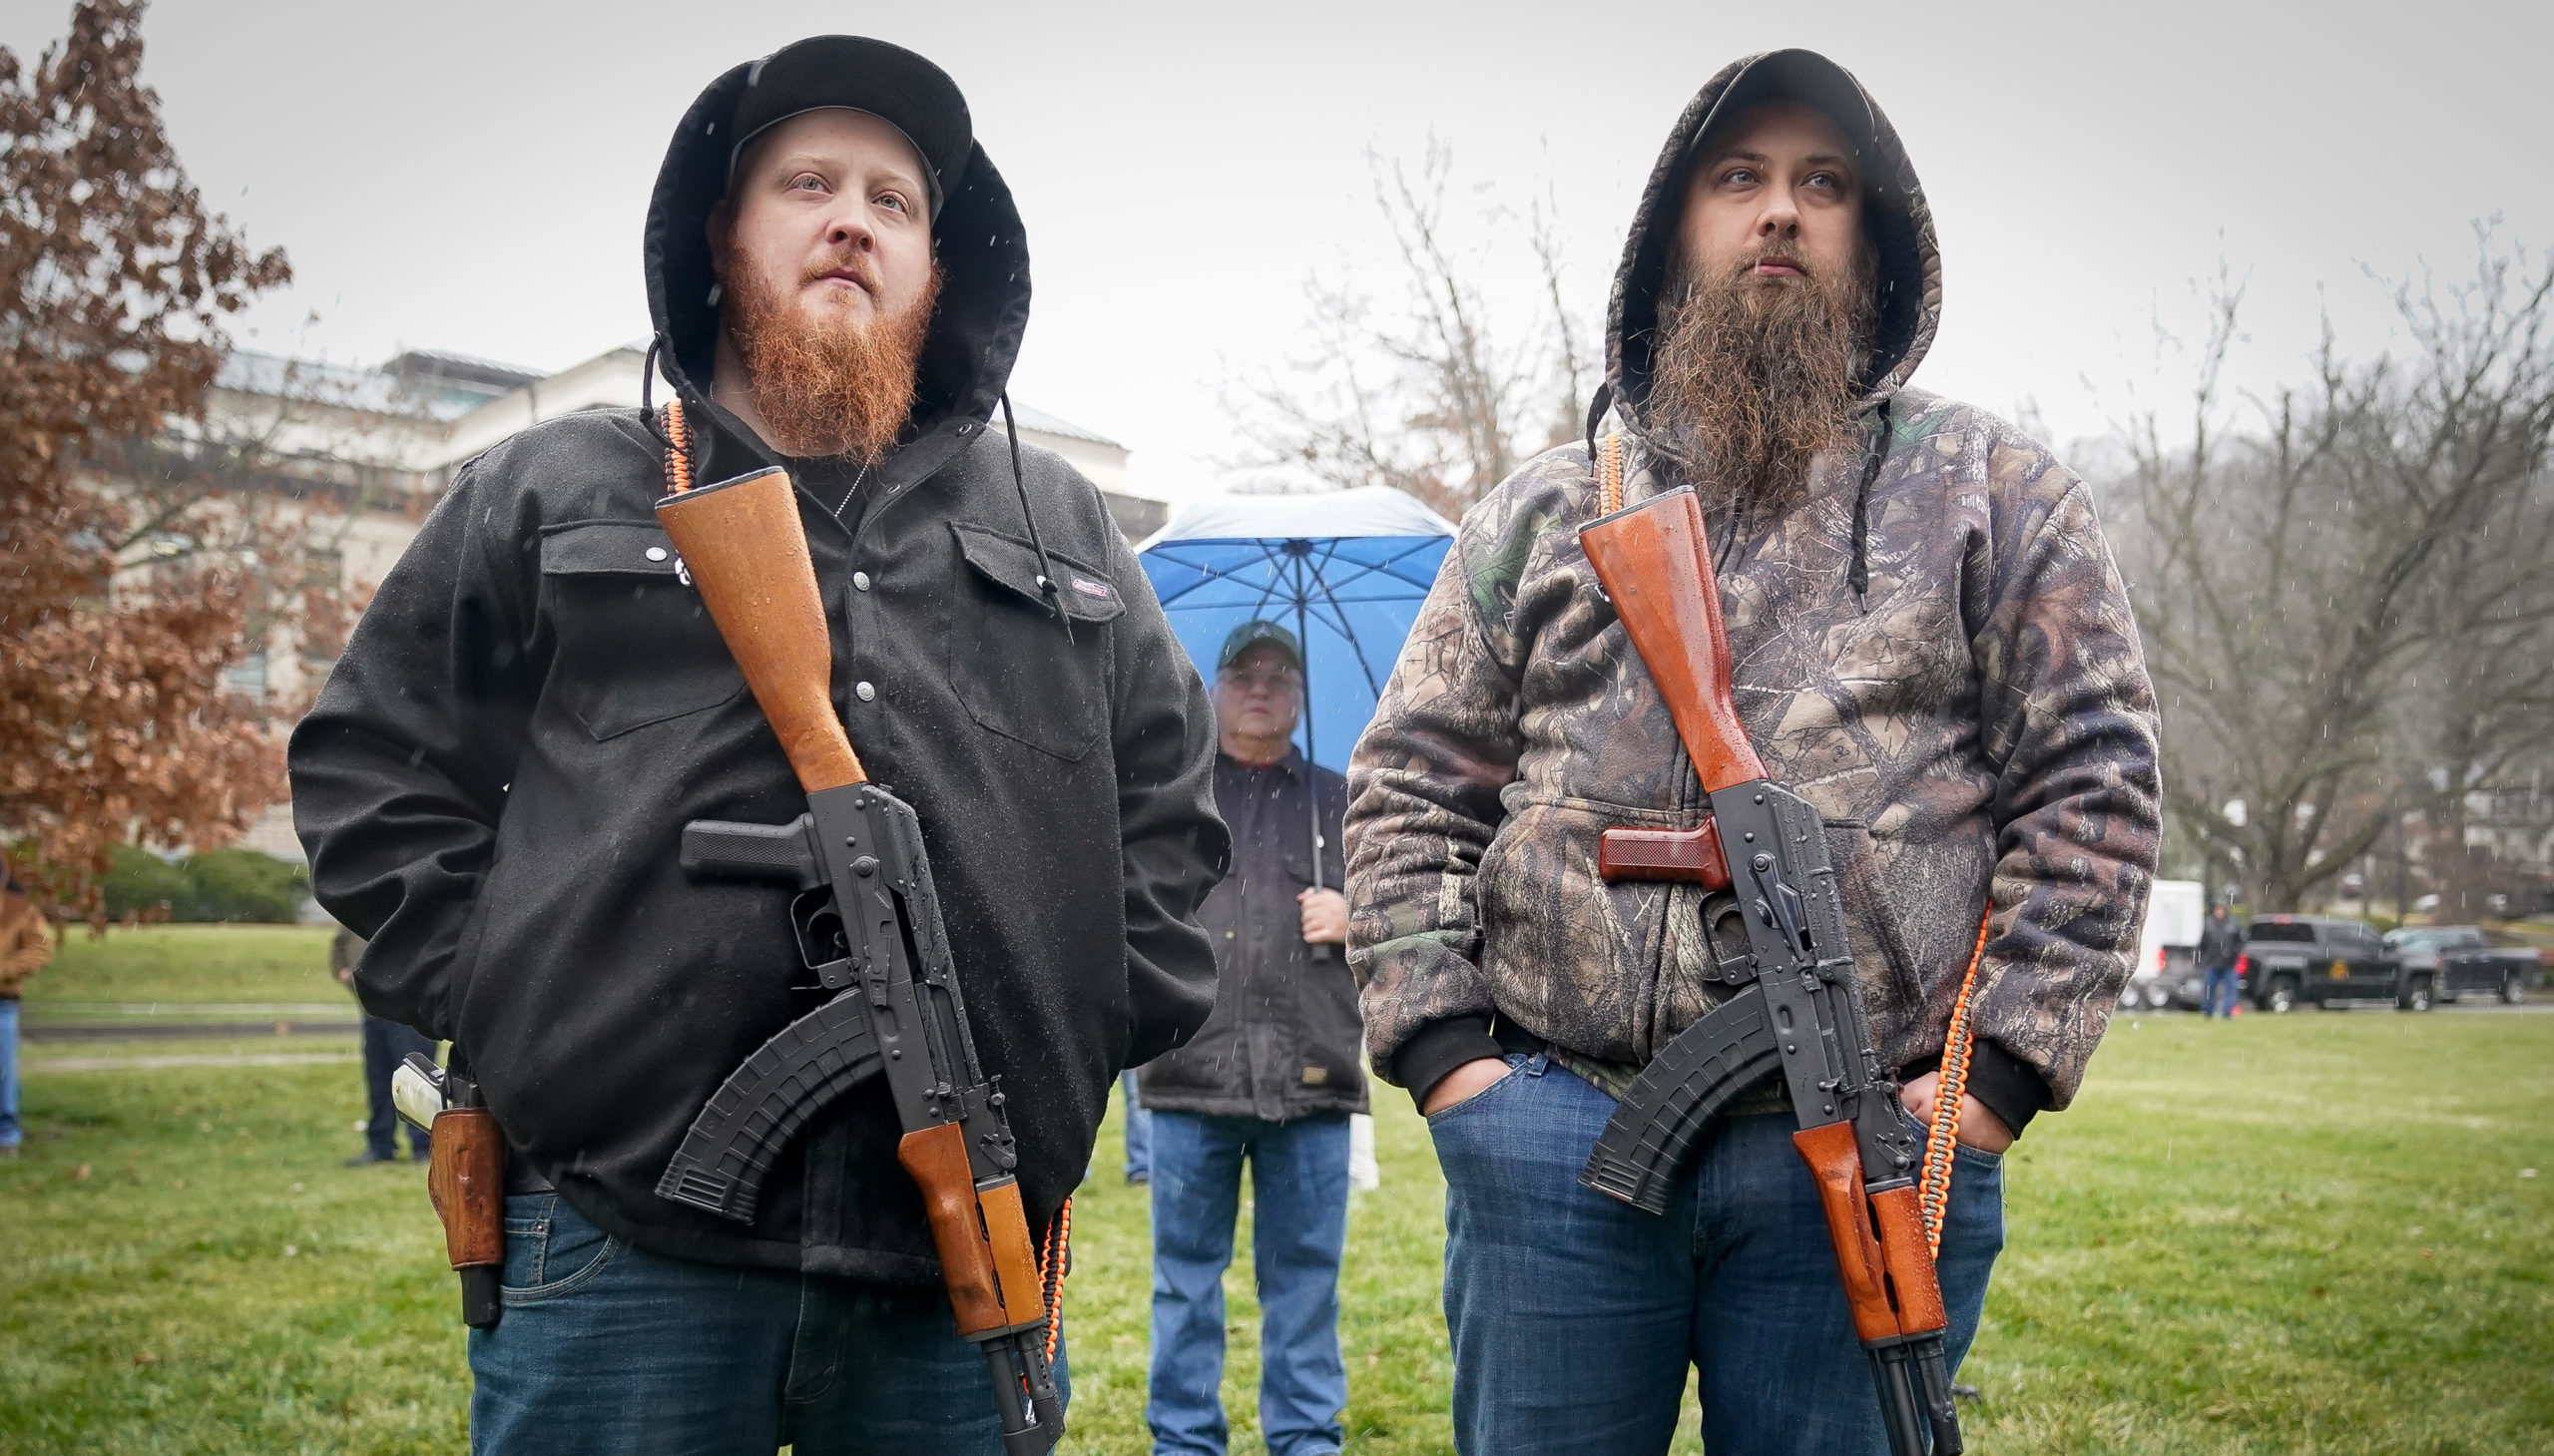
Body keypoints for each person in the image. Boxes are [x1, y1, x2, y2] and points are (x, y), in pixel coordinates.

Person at [288, 36, 1229, 1456]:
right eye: (808, 185)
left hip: (958, 1240)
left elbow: (1169, 813)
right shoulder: (556, 484)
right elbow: (373, 764)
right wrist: (512, 997)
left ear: (938, 266)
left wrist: (1082, 1036)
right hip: (617, 1234)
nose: (853, 220)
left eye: (894, 201)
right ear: (722, 236)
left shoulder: (1059, 520)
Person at [1343, 49, 2163, 1456]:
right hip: (1556, 1133)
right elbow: (1408, 783)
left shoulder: (1996, 492)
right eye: (1741, 178)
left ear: (1874, 239)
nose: (1780, 210)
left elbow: (2097, 782)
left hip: (1876, 1137)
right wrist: (1450, 1064)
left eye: (1822, 184)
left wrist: (1993, 1081)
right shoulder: (1543, 510)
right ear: (1675, 231)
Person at [1138, 622, 1360, 1456]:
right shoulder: (1174, 801)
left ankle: (1305, 1438)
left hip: (1314, 1077)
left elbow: (1416, 909)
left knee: (1304, 1283)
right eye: (1243, 673)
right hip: (1189, 1072)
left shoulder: (1346, 801)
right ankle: (1184, 1441)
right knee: (1183, 1283)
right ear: (1215, 689)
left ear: (1301, 695)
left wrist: (1358, 917)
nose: (1261, 686)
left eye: (1279, 673)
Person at [331, 925, 434, 1165]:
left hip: (410, 1013)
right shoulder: (357, 913)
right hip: (373, 1012)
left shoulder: (410, 911)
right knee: (378, 1080)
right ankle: (380, 1145)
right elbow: (339, 945)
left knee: (417, 1081)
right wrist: (343, 971)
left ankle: (425, 1147)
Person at [0, 876, 55, 1160]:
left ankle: (6, 1138)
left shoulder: (19, 907)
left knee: (3, 1073)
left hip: (2, 1002)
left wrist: (3, 971)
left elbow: (40, 948)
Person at [2198, 903, 2246, 1019]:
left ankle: (2227, 1013)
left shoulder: (2233, 925)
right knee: (2209, 989)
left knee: (2231, 990)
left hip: (2229, 964)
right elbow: (2202, 944)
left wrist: (2232, 953)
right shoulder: (2209, 925)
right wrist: (2204, 959)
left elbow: (2240, 943)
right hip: (2212, 963)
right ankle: (2208, 1011)